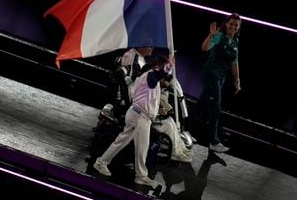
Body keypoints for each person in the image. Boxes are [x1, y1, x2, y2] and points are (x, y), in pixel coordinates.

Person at [93, 52, 175, 188]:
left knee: (138, 146)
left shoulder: (146, 78)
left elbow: (152, 94)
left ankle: (136, 174)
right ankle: (104, 163)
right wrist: (168, 66)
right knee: (130, 144)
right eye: (160, 66)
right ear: (156, 66)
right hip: (139, 116)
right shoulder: (149, 76)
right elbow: (158, 75)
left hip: (140, 116)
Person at [191, 13, 241, 153]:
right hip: (210, 74)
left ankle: (184, 129)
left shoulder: (235, 42)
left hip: (220, 78)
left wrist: (237, 81)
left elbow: (234, 62)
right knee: (216, 108)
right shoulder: (219, 35)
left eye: (236, 25)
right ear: (227, 24)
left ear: (238, 28)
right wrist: (211, 35)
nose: (233, 27)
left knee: (201, 104)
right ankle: (213, 141)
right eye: (231, 23)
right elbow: (205, 48)